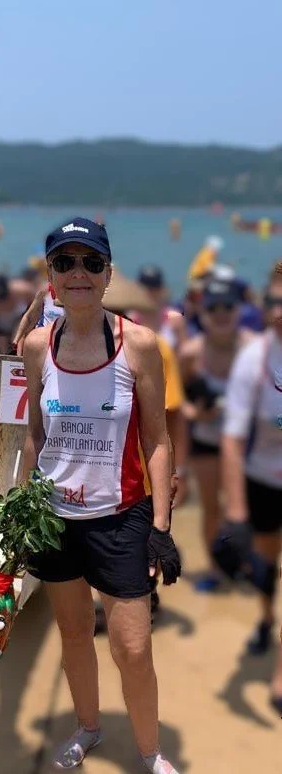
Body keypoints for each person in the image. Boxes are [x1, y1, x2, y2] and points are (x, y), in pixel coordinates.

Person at [21, 218, 181, 773]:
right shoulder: (37, 347)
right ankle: (88, 727)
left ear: (108, 274)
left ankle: (150, 751)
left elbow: (158, 440)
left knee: (132, 649)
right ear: (52, 276)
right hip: (54, 517)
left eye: (91, 262)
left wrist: (162, 527)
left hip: (120, 515)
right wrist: (16, 509)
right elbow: (32, 435)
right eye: (65, 262)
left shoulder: (139, 344)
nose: (79, 273)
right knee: (72, 634)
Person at [219, 260, 282, 714]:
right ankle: (264, 617)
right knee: (266, 564)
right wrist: (237, 515)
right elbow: (233, 439)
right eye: (274, 301)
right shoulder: (254, 359)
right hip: (263, 481)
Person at [179, 279, 254, 592]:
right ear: (203, 313)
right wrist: (196, 414)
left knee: (248, 509)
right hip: (207, 442)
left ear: (239, 310)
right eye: (213, 308)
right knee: (212, 508)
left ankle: (247, 565)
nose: (221, 313)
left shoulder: (256, 348)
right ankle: (214, 568)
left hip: (248, 445)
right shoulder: (191, 353)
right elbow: (177, 401)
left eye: (228, 306)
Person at [134, 266, 186, 351]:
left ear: (160, 289)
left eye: (154, 287)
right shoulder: (130, 319)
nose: (148, 292)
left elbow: (184, 353)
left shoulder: (175, 320)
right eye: (144, 287)